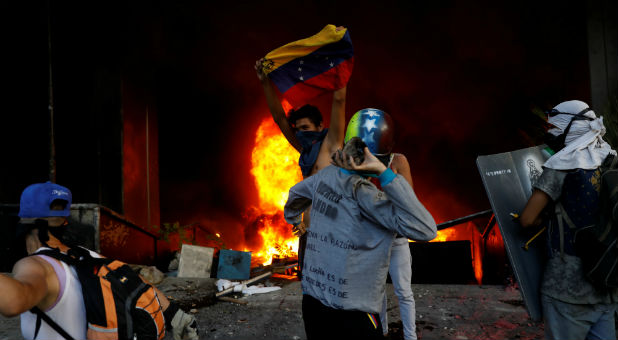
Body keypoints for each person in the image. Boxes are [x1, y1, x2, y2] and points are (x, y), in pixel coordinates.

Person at [283, 108, 437, 340]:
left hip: (312, 303)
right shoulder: (369, 197)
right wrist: (385, 174)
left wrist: (295, 219)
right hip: (352, 314)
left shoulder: (323, 177)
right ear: (380, 158)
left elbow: (294, 196)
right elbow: (426, 228)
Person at [0, 181, 198, 340]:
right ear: (65, 222)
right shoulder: (88, 256)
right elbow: (136, 282)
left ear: (23, 223)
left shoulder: (35, 265)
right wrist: (175, 315)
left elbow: (13, 303)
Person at [520, 100, 617, 340]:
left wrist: (547, 219)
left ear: (569, 128)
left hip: (567, 289)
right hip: (608, 280)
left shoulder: (562, 165)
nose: (551, 133)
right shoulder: (611, 159)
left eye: (554, 127)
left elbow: (527, 219)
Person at [255, 57, 347, 274]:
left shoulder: (332, 144)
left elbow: (340, 101)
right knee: (308, 290)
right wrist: (265, 82)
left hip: (334, 232)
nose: (301, 134)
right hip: (308, 232)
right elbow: (279, 118)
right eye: (298, 129)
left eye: (306, 128)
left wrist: (341, 63)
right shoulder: (305, 149)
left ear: (320, 126)